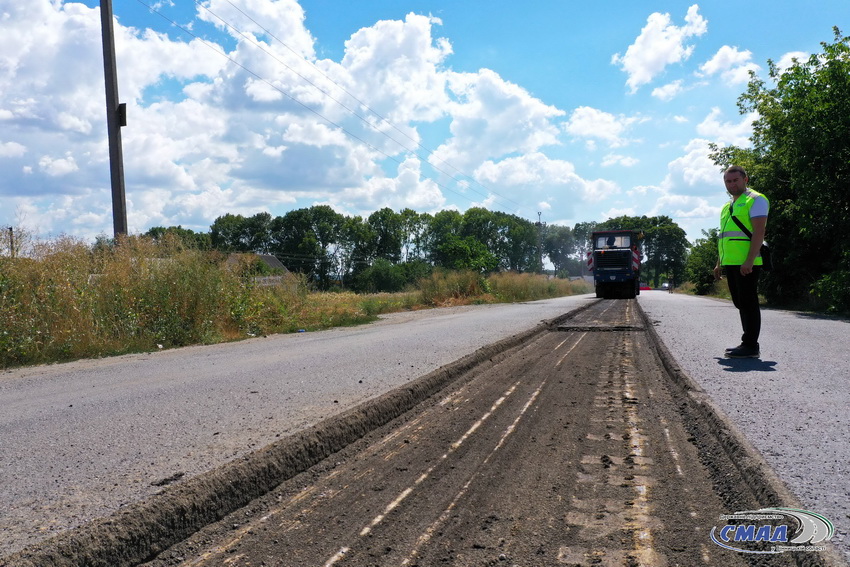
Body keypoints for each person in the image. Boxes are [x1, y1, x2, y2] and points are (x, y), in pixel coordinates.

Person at [713, 166, 769, 358]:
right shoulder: (727, 206)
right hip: (731, 262)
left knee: (748, 302)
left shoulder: (756, 200)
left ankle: (750, 345)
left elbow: (759, 233)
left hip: (747, 262)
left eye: (735, 180)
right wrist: (719, 262)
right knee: (740, 302)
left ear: (745, 179)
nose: (732, 184)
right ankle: (748, 343)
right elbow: (723, 237)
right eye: (728, 181)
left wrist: (749, 261)